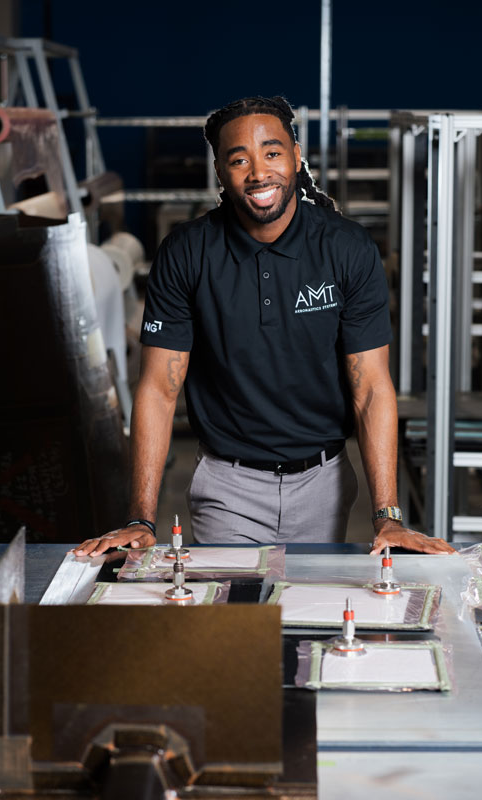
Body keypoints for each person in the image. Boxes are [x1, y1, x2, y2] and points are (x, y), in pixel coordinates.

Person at [74, 96, 454, 558]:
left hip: (325, 481)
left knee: (310, 621)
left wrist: (388, 516)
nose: (258, 172)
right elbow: (157, 390)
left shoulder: (347, 248)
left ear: (296, 157)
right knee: (236, 623)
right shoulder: (187, 253)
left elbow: (371, 387)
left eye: (272, 153)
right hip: (227, 486)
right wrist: (140, 518)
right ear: (220, 171)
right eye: (239, 160)